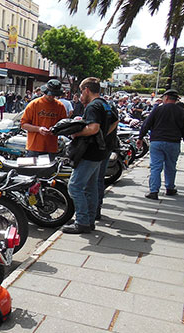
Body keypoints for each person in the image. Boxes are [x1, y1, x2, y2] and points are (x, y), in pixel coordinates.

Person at [63, 77, 116, 234]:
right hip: (100, 152)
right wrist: (104, 136)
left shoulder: (93, 106)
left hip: (90, 152)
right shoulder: (106, 104)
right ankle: (89, 220)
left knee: (74, 186)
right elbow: (115, 122)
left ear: (86, 89)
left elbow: (92, 128)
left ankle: (82, 222)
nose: (80, 94)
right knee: (91, 187)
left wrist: (76, 134)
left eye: (81, 90)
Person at [139, 89, 184, 200]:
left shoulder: (158, 109)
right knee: (171, 166)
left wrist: (140, 137)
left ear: (166, 97)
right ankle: (169, 187)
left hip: (157, 141)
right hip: (173, 142)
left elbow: (146, 124)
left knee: (155, 167)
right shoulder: (182, 112)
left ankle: (154, 191)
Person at [20, 79, 68, 159]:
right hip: (34, 148)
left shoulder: (60, 106)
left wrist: (55, 130)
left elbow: (64, 124)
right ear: (45, 91)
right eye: (50, 94)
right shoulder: (34, 104)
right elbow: (23, 125)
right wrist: (39, 129)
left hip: (51, 148)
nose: (52, 97)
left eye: (54, 95)